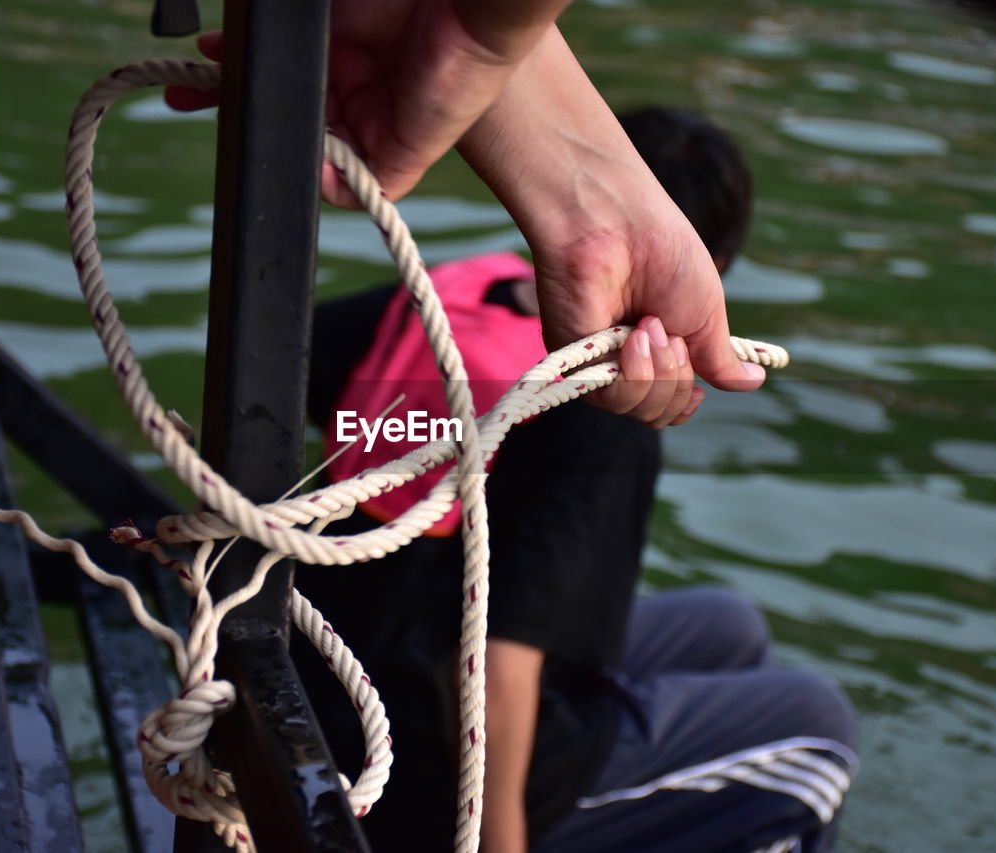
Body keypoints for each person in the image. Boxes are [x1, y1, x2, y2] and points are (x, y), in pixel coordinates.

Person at [292, 107, 858, 853]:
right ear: (709, 269)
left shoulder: (449, 298)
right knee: (817, 728)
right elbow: (499, 660)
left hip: (331, 668)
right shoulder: (604, 397)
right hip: (424, 759)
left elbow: (288, 372)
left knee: (728, 627)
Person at [165, 10, 768, 434]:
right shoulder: (581, 403)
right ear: (714, 264)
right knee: (725, 621)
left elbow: (301, 365)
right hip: (389, 603)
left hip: (320, 551)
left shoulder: (453, 290)